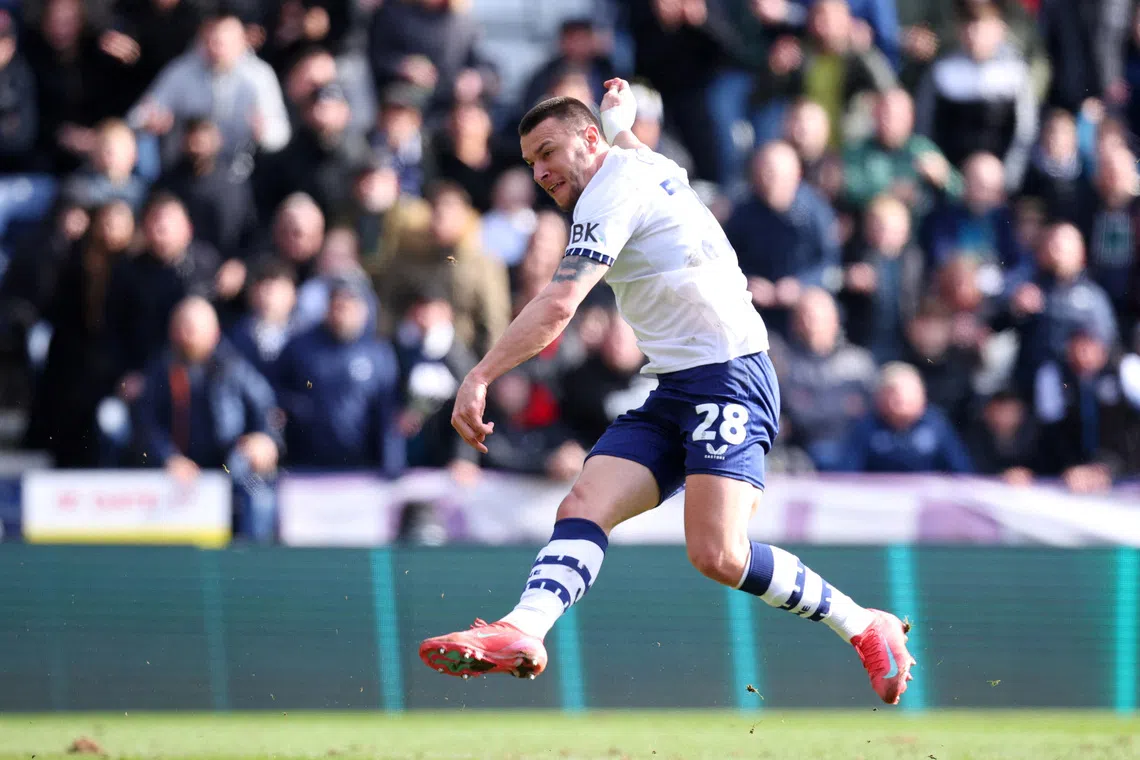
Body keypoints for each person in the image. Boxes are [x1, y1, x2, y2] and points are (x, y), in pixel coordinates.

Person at [417, 78, 916, 705]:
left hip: (730, 374)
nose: (540, 172)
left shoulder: (607, 194)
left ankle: (863, 626)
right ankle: (524, 629)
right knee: (582, 505)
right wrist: (618, 114)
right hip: (677, 383)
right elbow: (627, 136)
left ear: (587, 140)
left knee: (717, 553)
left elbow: (560, 304)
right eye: (529, 162)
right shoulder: (641, 161)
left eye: (547, 152)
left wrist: (480, 375)